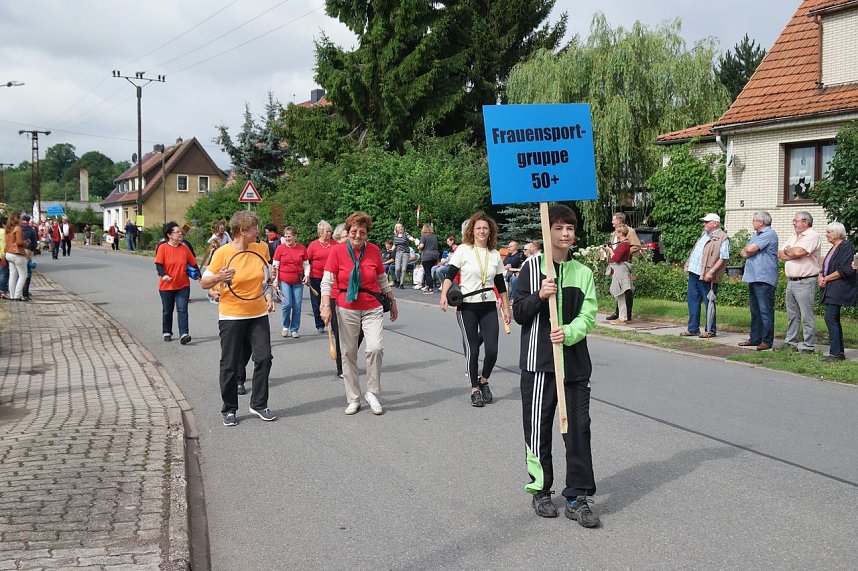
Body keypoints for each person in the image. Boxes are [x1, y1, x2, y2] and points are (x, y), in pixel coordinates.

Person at [512, 204, 600, 527]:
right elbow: (519, 312)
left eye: (570, 228)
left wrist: (569, 332)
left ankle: (577, 497)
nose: (565, 233)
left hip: (574, 365)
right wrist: (539, 295)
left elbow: (588, 315)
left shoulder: (583, 273)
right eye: (559, 227)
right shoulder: (531, 267)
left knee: (578, 429)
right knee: (538, 429)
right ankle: (540, 490)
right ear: (547, 231)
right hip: (539, 364)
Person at [200, 210, 277, 426]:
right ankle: (229, 408)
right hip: (232, 314)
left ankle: (259, 404)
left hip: (258, 312)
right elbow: (204, 282)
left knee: (264, 358)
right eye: (254, 228)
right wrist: (219, 277)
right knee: (230, 363)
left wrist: (269, 294)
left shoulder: (260, 248)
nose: (258, 231)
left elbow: (266, 278)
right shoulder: (223, 252)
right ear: (242, 231)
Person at [321, 212, 397, 415]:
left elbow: (381, 278)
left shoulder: (373, 250)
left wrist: (392, 300)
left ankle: (372, 392)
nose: (357, 235)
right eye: (354, 231)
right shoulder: (337, 251)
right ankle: (353, 397)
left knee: (375, 348)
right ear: (348, 231)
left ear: (367, 233)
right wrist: (325, 305)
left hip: (372, 305)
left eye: (362, 232)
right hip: (346, 306)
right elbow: (327, 281)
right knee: (348, 353)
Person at [440, 211, 511, 407]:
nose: (481, 231)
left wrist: (506, 308)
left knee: (492, 350)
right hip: (467, 306)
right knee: (473, 349)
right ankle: (474, 389)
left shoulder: (494, 254)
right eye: (478, 228)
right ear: (472, 230)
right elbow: (450, 275)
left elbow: (501, 285)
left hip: (488, 305)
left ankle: (484, 380)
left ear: (490, 231)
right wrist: (443, 295)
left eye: (485, 228)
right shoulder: (463, 249)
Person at [778, 211, 822, 353]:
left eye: (796, 220)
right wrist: (791, 252)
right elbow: (780, 253)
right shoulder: (794, 236)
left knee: (807, 315)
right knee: (792, 315)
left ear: (805, 222)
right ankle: (791, 343)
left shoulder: (812, 235)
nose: (793, 223)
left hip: (805, 281)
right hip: (791, 281)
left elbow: (799, 252)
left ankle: (809, 346)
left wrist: (791, 252)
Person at [680, 213, 729, 338]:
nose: (704, 224)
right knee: (693, 301)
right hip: (694, 273)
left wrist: (711, 271)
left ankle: (710, 330)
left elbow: (723, 258)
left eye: (707, 222)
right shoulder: (704, 235)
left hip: (707, 275)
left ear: (715, 223)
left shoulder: (722, 238)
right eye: (704, 222)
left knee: (709, 302)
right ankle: (693, 328)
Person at [738, 211, 779, 351]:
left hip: (764, 278)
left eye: (754, 220)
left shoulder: (769, 234)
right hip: (753, 276)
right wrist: (750, 250)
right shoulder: (756, 235)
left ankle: (767, 340)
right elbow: (743, 253)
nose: (752, 222)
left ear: (761, 222)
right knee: (755, 311)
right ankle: (755, 338)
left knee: (765, 311)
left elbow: (749, 249)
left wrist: (750, 250)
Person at [155, 222, 200, 344]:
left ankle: (184, 334)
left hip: (183, 285)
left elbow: (193, 263)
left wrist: (200, 276)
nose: (181, 233)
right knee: (167, 310)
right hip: (167, 286)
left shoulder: (184, 248)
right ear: (169, 235)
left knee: (182, 310)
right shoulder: (163, 247)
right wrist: (164, 275)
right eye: (177, 232)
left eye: (181, 232)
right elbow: (159, 264)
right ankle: (167, 332)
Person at [817, 222, 856, 362]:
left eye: (829, 232)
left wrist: (826, 278)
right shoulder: (834, 247)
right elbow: (826, 267)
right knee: (833, 319)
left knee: (830, 318)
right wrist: (821, 277)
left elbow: (845, 270)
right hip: (830, 287)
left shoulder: (846, 247)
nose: (826, 235)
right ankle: (838, 352)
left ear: (837, 233)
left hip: (838, 289)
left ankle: (835, 354)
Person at [273, 226, 309, 338]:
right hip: (284, 280)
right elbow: (275, 265)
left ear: (295, 236)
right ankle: (285, 326)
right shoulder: (280, 248)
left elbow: (306, 264)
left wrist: (307, 275)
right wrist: (275, 280)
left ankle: (294, 329)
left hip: (298, 281)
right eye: (286, 236)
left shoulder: (302, 248)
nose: (287, 239)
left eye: (289, 236)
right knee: (287, 304)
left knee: (297, 306)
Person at [604, 212, 640, 321]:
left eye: (613, 219)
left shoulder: (629, 231)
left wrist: (624, 253)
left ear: (619, 220)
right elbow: (614, 247)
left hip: (623, 264)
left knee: (625, 289)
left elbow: (636, 246)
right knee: (617, 289)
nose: (612, 222)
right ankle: (618, 313)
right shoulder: (615, 233)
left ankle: (626, 314)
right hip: (615, 264)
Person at [306, 220, 335, 334]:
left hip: (331, 277)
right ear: (320, 232)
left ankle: (332, 322)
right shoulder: (313, 245)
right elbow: (307, 261)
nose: (329, 234)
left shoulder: (335, 244)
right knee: (316, 301)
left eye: (330, 231)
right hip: (316, 276)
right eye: (327, 231)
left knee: (331, 300)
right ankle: (319, 324)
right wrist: (306, 275)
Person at [606, 224, 633, 324]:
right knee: (619, 294)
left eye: (617, 232)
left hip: (620, 271)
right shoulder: (623, 244)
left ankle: (622, 318)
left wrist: (610, 250)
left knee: (620, 294)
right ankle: (622, 317)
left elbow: (616, 259)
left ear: (621, 233)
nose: (616, 234)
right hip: (619, 271)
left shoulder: (624, 244)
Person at [4, 213, 29, 301]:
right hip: (17, 254)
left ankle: (12, 295)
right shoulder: (18, 228)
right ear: (17, 219)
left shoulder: (8, 229)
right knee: (23, 275)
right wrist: (26, 243)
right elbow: (19, 242)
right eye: (20, 218)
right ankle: (17, 295)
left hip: (9, 253)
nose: (21, 220)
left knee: (13, 275)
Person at [19, 215, 38, 301]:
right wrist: (31, 249)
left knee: (17, 273)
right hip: (27, 251)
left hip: (16, 251)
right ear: (28, 220)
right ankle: (25, 293)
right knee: (27, 272)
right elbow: (34, 243)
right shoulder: (31, 230)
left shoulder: (17, 228)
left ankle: (16, 293)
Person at [417, 223, 439, 293]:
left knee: (427, 272)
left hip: (426, 256)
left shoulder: (423, 236)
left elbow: (421, 246)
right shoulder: (434, 236)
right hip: (435, 256)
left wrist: (418, 246)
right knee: (430, 271)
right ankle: (427, 285)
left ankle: (430, 288)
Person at [392, 222, 415, 289]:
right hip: (398, 253)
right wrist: (392, 249)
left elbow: (410, 237)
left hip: (406, 253)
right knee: (397, 268)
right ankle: (398, 280)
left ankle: (401, 284)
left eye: (401, 227)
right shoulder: (395, 236)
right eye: (399, 227)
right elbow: (395, 244)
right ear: (396, 229)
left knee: (404, 269)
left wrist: (412, 239)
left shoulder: (405, 234)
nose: (401, 228)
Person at [0, 215, 8, 299]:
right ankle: (2, 290)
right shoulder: (4, 232)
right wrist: (4, 254)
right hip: (2, 255)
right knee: (4, 274)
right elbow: (4, 244)